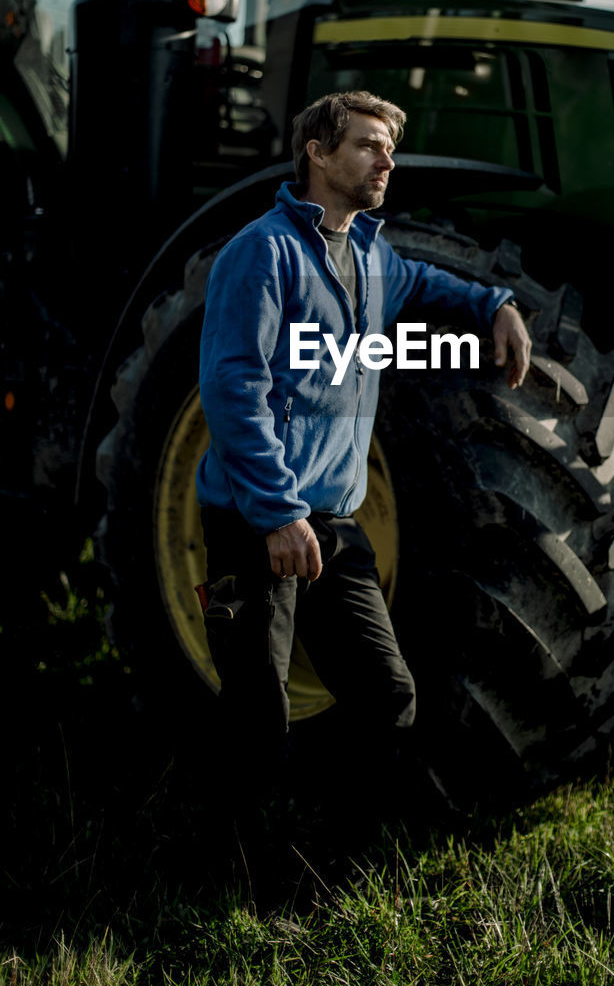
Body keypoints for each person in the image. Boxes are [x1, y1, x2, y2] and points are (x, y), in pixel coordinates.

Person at [195, 90, 531, 874]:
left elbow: (431, 284)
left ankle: (325, 854)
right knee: (256, 712)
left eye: (388, 149)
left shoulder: (372, 257)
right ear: (316, 151)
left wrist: (497, 304)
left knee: (386, 697)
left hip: (333, 529)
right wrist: (277, 514)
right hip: (257, 521)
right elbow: (231, 386)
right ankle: (229, 875)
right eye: (367, 146)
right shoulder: (262, 252)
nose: (386, 162)